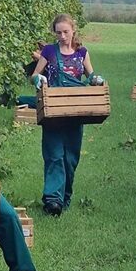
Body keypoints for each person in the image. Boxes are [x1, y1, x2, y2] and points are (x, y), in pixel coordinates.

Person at [30, 13, 103, 216]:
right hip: (53, 111)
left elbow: (91, 76)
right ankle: (53, 201)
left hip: (74, 112)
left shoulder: (82, 53)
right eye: (58, 32)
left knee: (70, 159)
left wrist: (97, 79)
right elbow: (35, 74)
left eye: (65, 32)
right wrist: (38, 80)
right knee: (54, 156)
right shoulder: (49, 51)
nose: (62, 36)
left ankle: (65, 196)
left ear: (73, 31)